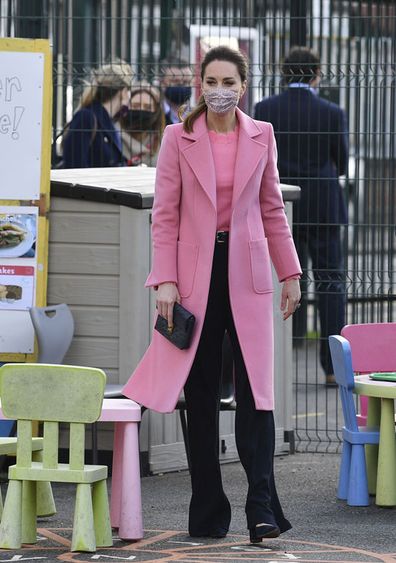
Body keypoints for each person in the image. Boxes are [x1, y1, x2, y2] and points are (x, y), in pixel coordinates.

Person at [123, 46, 301, 543]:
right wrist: (165, 279)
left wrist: (290, 273)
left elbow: (271, 210)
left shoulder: (262, 135)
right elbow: (165, 216)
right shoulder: (177, 139)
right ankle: (207, 510)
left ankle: (261, 507)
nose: (220, 89)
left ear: (244, 86)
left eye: (229, 81)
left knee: (256, 394)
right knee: (199, 395)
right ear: (200, 85)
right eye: (212, 80)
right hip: (194, 280)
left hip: (247, 277)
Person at [254, 46, 348, 386]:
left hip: (280, 205)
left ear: (283, 72)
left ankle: (276, 364)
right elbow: (341, 159)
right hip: (323, 205)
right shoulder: (332, 111)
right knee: (330, 285)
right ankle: (333, 367)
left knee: (281, 282)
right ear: (316, 73)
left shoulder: (265, 109)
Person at [62, 61, 133, 168]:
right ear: (123, 92)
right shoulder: (86, 118)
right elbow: (75, 165)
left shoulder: (108, 121)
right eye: (129, 90)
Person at [117, 83, 165, 167]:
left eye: (147, 107)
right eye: (135, 106)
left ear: (156, 111)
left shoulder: (162, 142)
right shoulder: (113, 137)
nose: (141, 110)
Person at [160, 56, 193, 125]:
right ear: (163, 84)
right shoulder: (154, 115)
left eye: (185, 82)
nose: (181, 85)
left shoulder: (198, 117)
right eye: (175, 81)